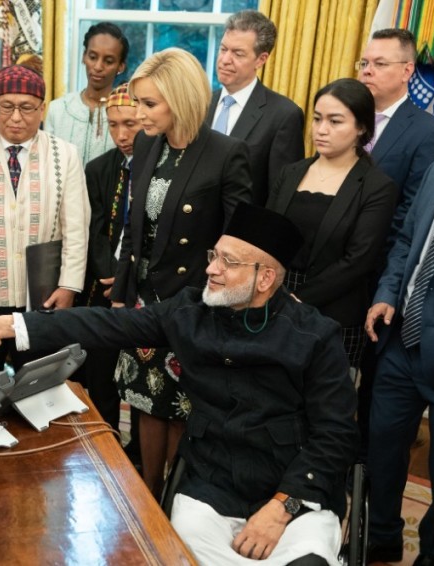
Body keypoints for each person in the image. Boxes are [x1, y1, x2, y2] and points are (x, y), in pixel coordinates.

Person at [0, 203, 358, 566]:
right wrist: (9, 325)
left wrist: (281, 508)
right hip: (212, 481)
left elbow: (335, 435)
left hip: (294, 487)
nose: (212, 269)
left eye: (229, 262)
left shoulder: (315, 336)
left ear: (265, 277)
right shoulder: (190, 312)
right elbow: (105, 325)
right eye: (213, 256)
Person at [109, 48, 252, 495]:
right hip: (143, 299)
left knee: (183, 407)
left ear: (183, 100)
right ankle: (149, 494)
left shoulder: (227, 154)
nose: (138, 114)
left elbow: (235, 242)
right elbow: (134, 226)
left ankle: (177, 502)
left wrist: (207, 301)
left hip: (195, 302)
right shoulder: (149, 145)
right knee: (146, 402)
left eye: (149, 104)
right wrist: (121, 290)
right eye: (138, 101)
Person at [0, 64, 90, 377]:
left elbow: (77, 228)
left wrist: (69, 285)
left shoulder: (66, 155)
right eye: (6, 107)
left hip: (43, 297)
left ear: (42, 108)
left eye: (26, 108)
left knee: (39, 384)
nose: (16, 118)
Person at [267, 78, 397, 372]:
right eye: (317, 119)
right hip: (273, 299)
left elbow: (359, 260)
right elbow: (268, 234)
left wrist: (297, 298)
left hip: (334, 313)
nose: (321, 129)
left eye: (335, 121)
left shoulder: (377, 186)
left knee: (322, 410)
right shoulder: (292, 172)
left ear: (362, 127)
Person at [364, 160, 434, 566]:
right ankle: (383, 536)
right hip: (401, 341)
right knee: (383, 447)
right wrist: (388, 292)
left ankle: (431, 552)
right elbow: (407, 243)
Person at [75, 82, 142, 428]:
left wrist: (130, 278)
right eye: (113, 124)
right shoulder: (99, 169)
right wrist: (110, 276)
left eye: (129, 124)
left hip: (144, 288)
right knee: (100, 375)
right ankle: (106, 438)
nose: (121, 133)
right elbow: (95, 230)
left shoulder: (162, 166)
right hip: (104, 286)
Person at [207, 10, 305, 206]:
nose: (225, 59)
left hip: (242, 232)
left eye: (238, 53)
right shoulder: (201, 104)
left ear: (261, 59)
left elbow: (281, 196)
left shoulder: (284, 115)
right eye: (223, 49)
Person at [358, 28, 434, 242]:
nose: (367, 70)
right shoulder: (346, 118)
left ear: (407, 71)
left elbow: (410, 211)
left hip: (377, 255)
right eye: (364, 63)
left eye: (380, 64)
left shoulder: (427, 131)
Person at [44, 22, 128, 166]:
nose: (98, 67)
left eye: (108, 61)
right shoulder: (57, 110)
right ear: (84, 57)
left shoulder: (128, 114)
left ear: (120, 66)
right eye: (93, 57)